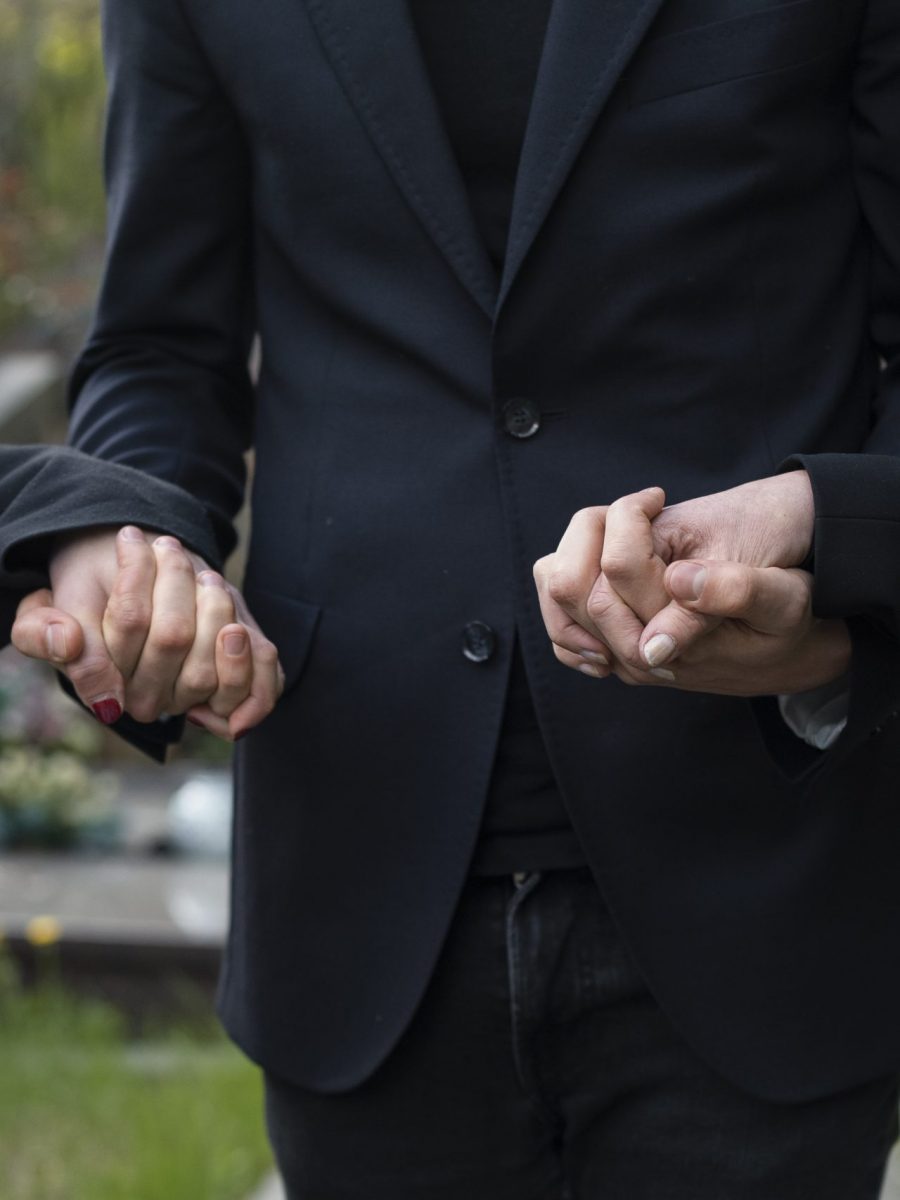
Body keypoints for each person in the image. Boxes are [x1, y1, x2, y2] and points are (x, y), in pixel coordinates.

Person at [7, 0, 900, 1195]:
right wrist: (128, 546)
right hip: (363, 884)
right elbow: (161, 348)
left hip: (770, 872)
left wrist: (830, 545)